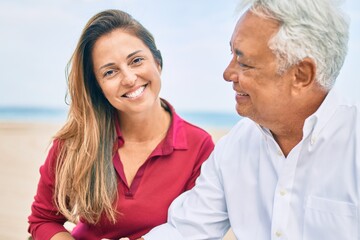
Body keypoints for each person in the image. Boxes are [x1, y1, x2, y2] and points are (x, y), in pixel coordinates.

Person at [128, 0, 360, 239]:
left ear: (301, 75)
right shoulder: (235, 146)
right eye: (232, 54)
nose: (228, 74)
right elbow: (184, 231)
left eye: (244, 63)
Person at [28, 9, 214, 240]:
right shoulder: (78, 141)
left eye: (136, 60)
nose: (128, 78)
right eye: (110, 72)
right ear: (98, 86)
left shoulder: (199, 146)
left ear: (157, 62)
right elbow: (43, 220)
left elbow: (193, 229)